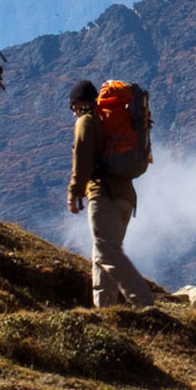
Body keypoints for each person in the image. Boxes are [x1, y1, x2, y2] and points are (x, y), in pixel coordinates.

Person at [67, 80, 155, 306]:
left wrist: (74, 192)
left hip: (103, 196)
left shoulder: (86, 121)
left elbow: (82, 161)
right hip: (125, 198)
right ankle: (104, 309)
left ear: (77, 103)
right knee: (101, 254)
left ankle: (143, 302)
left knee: (106, 252)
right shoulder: (109, 122)